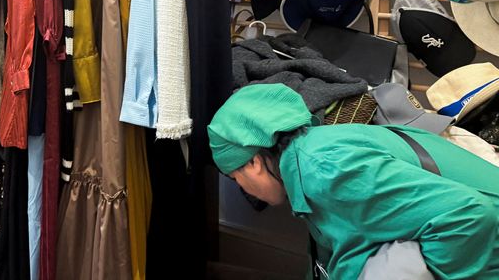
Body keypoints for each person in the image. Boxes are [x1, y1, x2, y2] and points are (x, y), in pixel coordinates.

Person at [208, 83, 499, 279]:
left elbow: (470, 216)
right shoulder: (315, 151)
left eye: (236, 178)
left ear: (255, 163)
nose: (244, 189)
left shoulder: (325, 169)